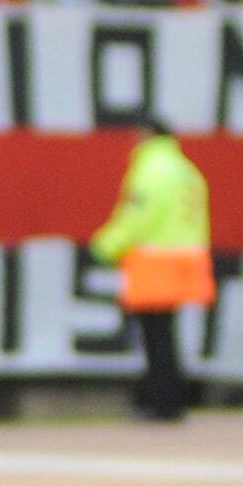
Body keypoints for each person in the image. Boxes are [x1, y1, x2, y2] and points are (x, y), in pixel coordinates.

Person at [90, 119, 212, 423]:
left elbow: (136, 217)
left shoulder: (151, 170)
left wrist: (106, 245)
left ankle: (161, 402)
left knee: (155, 337)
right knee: (166, 334)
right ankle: (170, 399)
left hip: (156, 260)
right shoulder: (187, 170)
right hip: (187, 258)